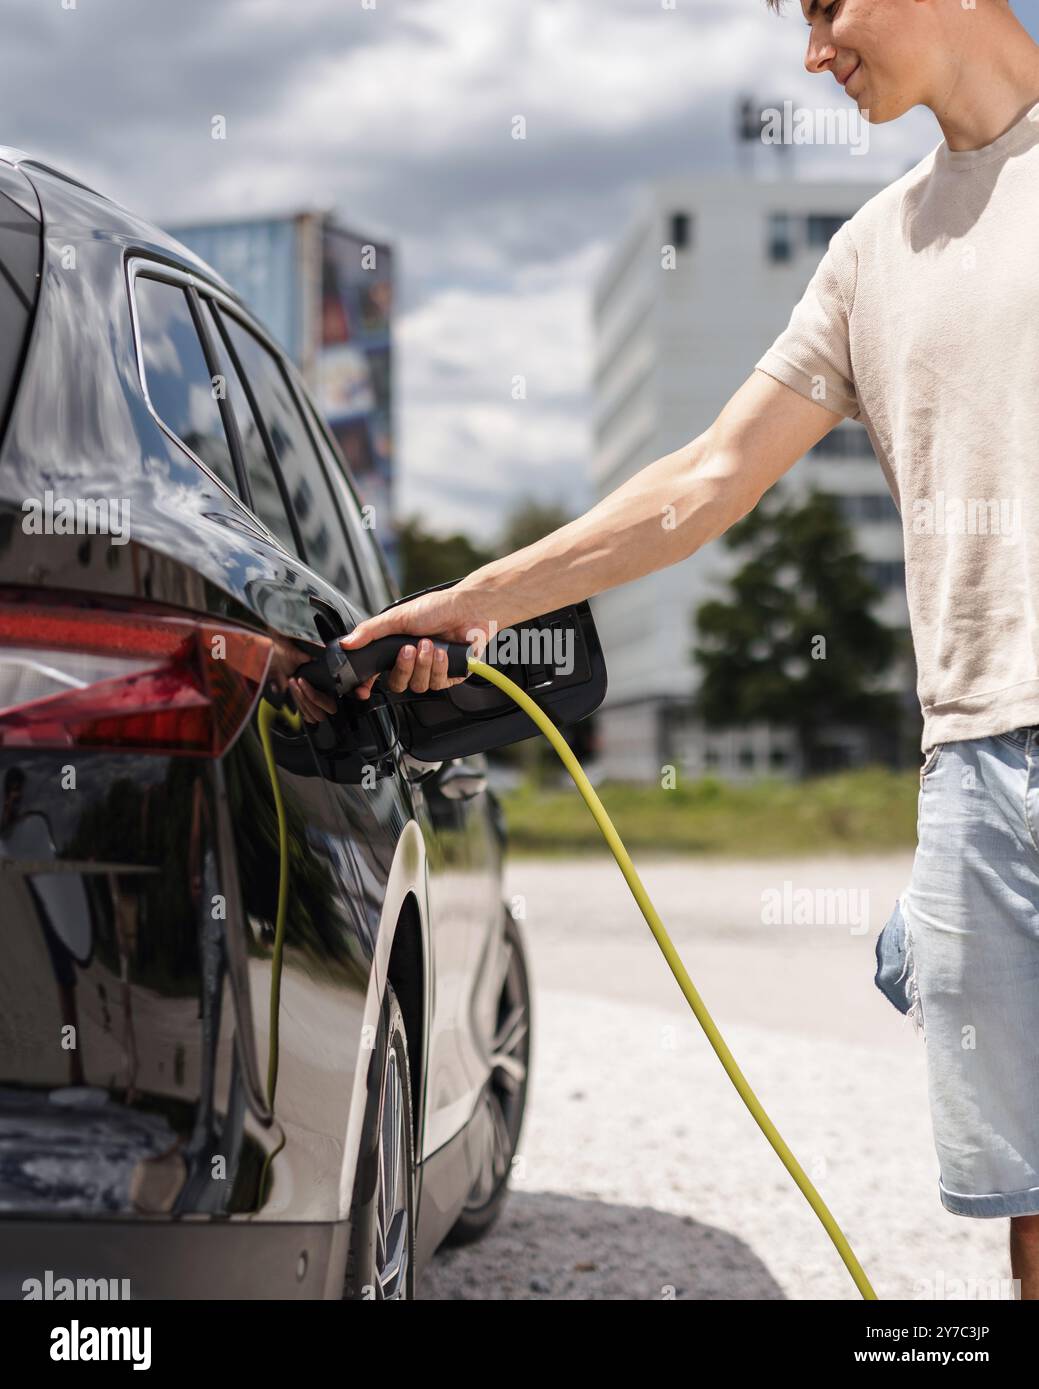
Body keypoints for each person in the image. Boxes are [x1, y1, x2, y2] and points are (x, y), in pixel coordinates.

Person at [292, 0, 1039, 1298]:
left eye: (824, 7)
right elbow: (701, 481)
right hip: (972, 768)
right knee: (1028, 1204)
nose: (813, 54)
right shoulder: (873, 254)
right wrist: (473, 598)